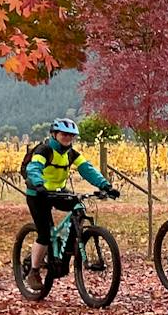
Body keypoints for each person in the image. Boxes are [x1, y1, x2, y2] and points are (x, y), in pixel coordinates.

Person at [23, 118, 118, 285]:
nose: (68, 138)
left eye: (71, 135)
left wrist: (106, 186)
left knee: (79, 206)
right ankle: (34, 271)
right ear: (54, 134)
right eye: (64, 134)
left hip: (58, 192)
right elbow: (34, 168)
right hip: (38, 194)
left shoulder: (71, 153)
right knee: (44, 234)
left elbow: (87, 170)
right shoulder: (43, 150)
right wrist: (38, 184)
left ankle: (67, 250)